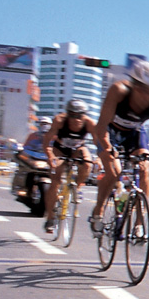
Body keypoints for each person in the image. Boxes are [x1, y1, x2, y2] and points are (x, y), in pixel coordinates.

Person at [91, 59, 149, 231]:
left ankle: (139, 222)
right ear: (134, 85)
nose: (147, 95)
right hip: (110, 132)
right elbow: (101, 126)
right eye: (143, 90)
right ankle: (98, 210)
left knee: (144, 169)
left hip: (134, 133)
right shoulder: (118, 91)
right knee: (114, 172)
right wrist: (107, 148)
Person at [42, 100, 98, 233]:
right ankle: (50, 218)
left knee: (87, 164)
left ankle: (77, 187)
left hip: (78, 149)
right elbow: (46, 140)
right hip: (60, 149)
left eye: (79, 116)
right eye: (72, 115)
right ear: (67, 115)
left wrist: (100, 158)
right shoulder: (59, 120)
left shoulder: (89, 123)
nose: (76, 119)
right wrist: (50, 157)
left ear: (84, 115)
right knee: (55, 180)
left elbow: (98, 142)